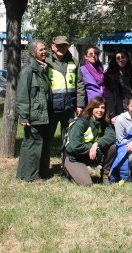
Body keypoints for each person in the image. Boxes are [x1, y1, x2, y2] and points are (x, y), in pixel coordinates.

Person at [43, 35, 85, 177]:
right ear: (53, 46)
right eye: (59, 45)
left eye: (64, 45)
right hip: (51, 108)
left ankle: (66, 168)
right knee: (47, 139)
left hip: (69, 107)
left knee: (68, 140)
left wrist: (79, 104)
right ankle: (44, 168)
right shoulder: (46, 62)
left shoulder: (73, 61)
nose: (62, 48)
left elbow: (79, 84)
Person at [16, 40, 52, 182]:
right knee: (33, 144)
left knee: (35, 143)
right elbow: (22, 95)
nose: (44, 52)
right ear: (32, 53)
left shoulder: (43, 69)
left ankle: (27, 173)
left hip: (42, 114)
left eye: (45, 49)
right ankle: (31, 175)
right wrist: (24, 117)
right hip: (34, 115)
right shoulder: (28, 71)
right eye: (41, 50)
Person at [63, 96, 116, 186]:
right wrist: (92, 147)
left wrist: (96, 144)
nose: (100, 110)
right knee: (87, 183)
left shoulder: (102, 122)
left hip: (90, 155)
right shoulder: (80, 123)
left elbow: (112, 136)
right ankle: (68, 170)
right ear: (91, 108)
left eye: (102, 108)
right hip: (74, 157)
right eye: (97, 107)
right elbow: (75, 146)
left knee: (113, 147)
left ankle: (105, 176)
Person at [103, 50, 132, 121]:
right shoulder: (109, 75)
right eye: (118, 58)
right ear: (115, 60)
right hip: (117, 108)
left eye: (123, 57)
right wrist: (112, 114)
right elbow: (109, 96)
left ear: (127, 59)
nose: (121, 59)